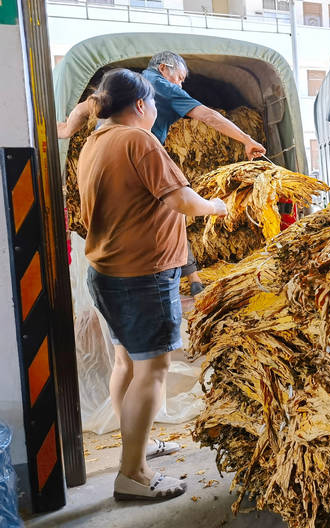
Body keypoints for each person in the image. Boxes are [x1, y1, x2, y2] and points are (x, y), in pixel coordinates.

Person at [77, 68, 228, 501]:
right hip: (142, 276)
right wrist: (217, 206)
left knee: (127, 363)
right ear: (141, 104)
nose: (158, 110)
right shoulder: (138, 140)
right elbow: (180, 200)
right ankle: (133, 475)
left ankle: (139, 446)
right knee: (155, 368)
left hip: (108, 271)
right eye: (156, 103)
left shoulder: (94, 142)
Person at [60, 51, 266, 295]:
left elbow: (85, 107)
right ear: (163, 70)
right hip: (142, 270)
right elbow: (208, 117)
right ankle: (187, 279)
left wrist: (65, 130)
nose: (180, 85)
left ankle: (193, 278)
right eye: (179, 78)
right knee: (168, 213)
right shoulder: (149, 114)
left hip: (106, 269)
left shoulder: (116, 103)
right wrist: (246, 140)